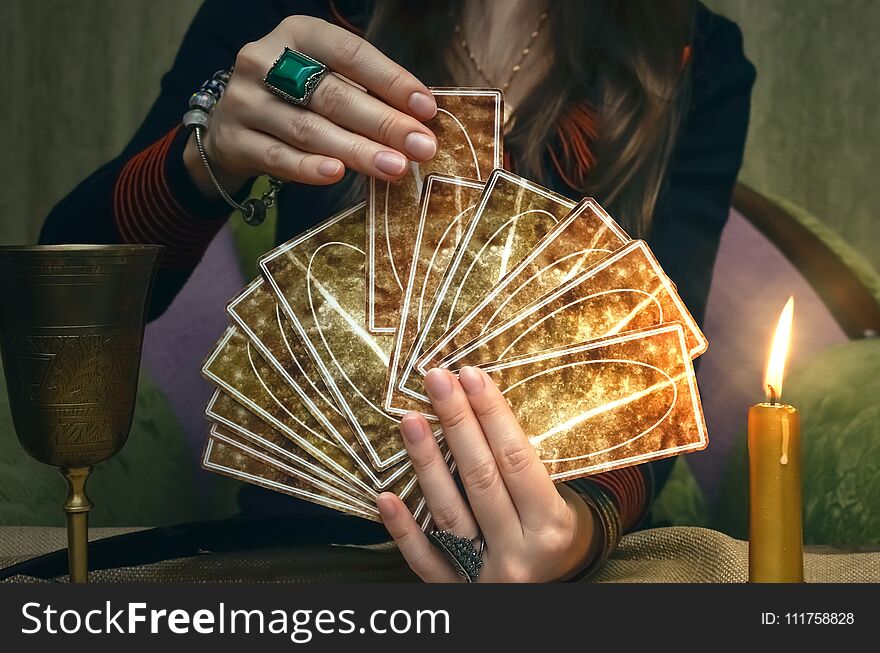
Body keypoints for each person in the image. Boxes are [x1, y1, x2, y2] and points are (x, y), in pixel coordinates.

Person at [40, 0, 755, 582]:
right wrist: (205, 153)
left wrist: (580, 525)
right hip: (312, 552)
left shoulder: (693, 53)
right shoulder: (286, 13)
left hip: (566, 559)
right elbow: (60, 295)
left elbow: (656, 366)